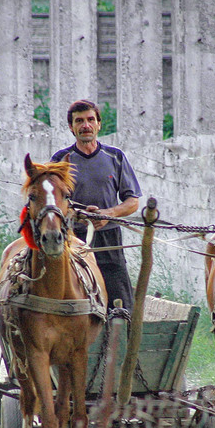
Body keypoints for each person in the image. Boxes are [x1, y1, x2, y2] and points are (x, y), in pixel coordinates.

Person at [51, 99, 141, 312]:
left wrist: (107, 214)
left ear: (99, 124)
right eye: (79, 121)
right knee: (73, 301)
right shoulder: (60, 160)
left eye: (91, 120)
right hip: (72, 240)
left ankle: (120, 341)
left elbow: (133, 202)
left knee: (122, 305)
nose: (85, 125)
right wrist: (79, 214)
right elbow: (53, 202)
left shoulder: (115, 156)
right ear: (71, 127)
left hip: (109, 241)